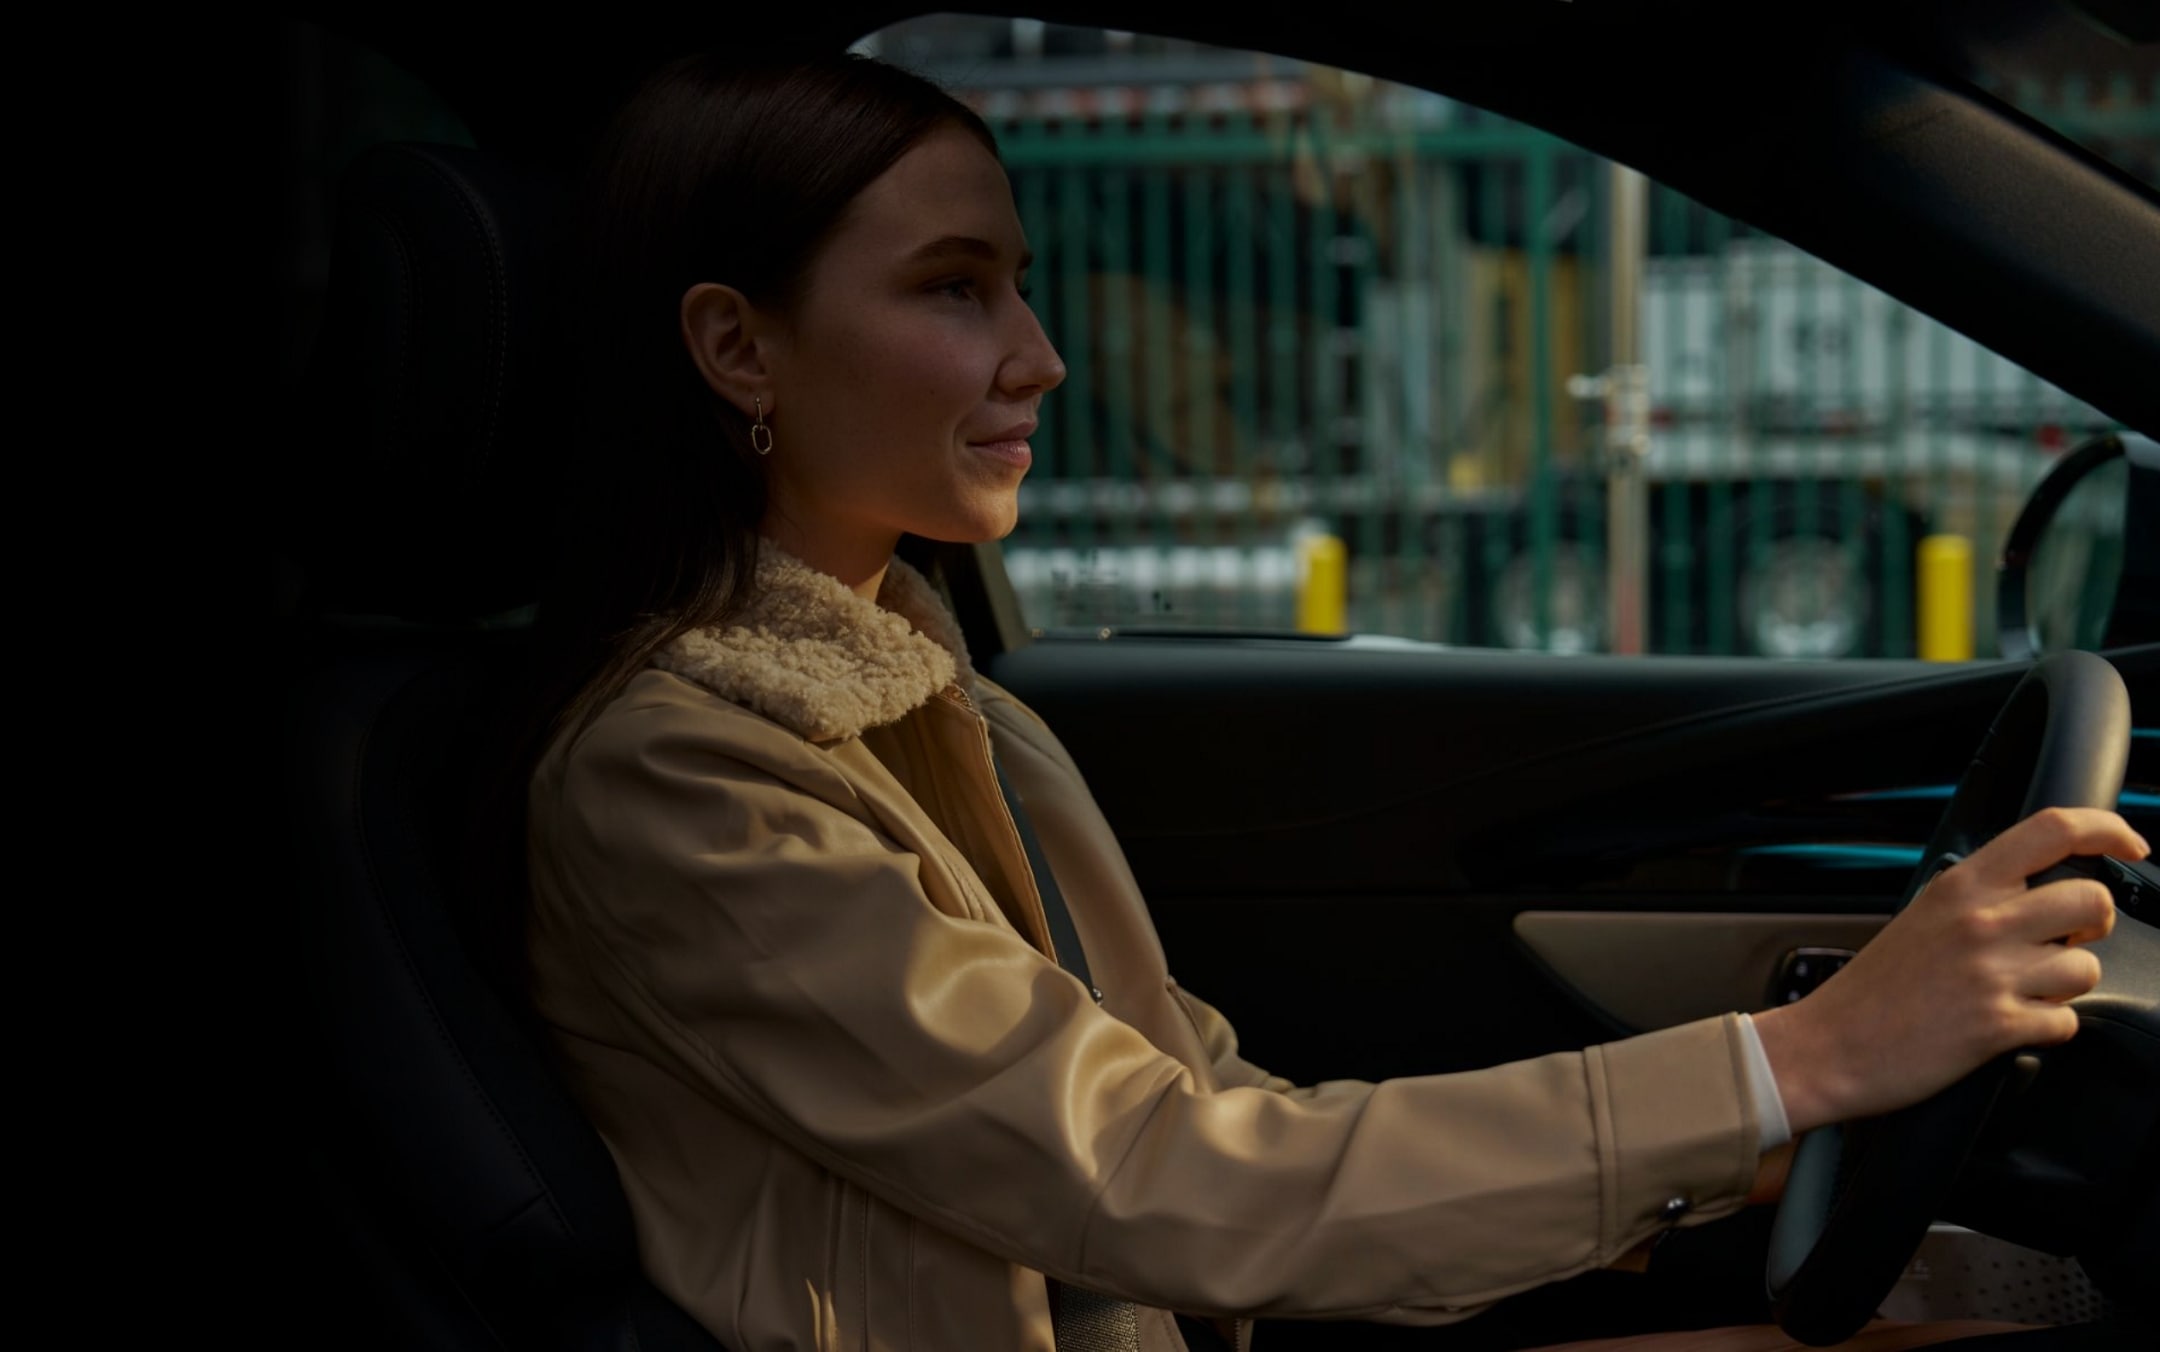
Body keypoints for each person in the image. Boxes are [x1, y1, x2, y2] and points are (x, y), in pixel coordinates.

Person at [515, 51, 2146, 1352]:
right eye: (954, 290)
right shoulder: (680, 776)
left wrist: (1752, 1140)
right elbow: (1162, 1179)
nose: (1041, 356)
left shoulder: (951, 710)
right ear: (739, 348)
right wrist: (1798, 1063)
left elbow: (1210, 1112)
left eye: (1018, 284)